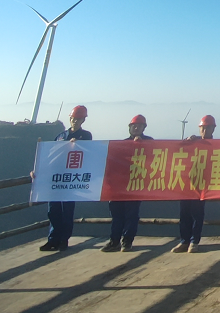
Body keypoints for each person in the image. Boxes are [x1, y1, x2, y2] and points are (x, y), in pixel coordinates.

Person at [40, 105, 93, 251]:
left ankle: (64, 239)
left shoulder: (86, 136)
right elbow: (50, 155)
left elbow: (90, 152)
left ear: (83, 120)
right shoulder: (60, 136)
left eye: (78, 119)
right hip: (57, 177)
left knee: (67, 210)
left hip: (71, 179)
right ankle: (53, 240)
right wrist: (38, 170)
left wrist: (79, 145)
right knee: (53, 210)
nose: (75, 121)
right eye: (73, 118)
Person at [102, 114, 152, 252]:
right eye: (133, 126)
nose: (136, 128)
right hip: (119, 186)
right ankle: (114, 241)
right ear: (129, 127)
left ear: (144, 128)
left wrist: (143, 144)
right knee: (117, 214)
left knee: (131, 214)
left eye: (139, 126)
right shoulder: (122, 144)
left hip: (135, 185)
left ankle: (127, 241)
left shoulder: (150, 142)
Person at [173, 115, 215, 254]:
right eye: (203, 128)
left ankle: (194, 241)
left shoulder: (217, 145)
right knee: (184, 213)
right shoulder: (193, 142)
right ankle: (184, 241)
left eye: (208, 127)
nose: (205, 130)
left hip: (202, 184)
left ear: (213, 129)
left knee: (197, 213)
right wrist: (187, 142)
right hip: (187, 183)